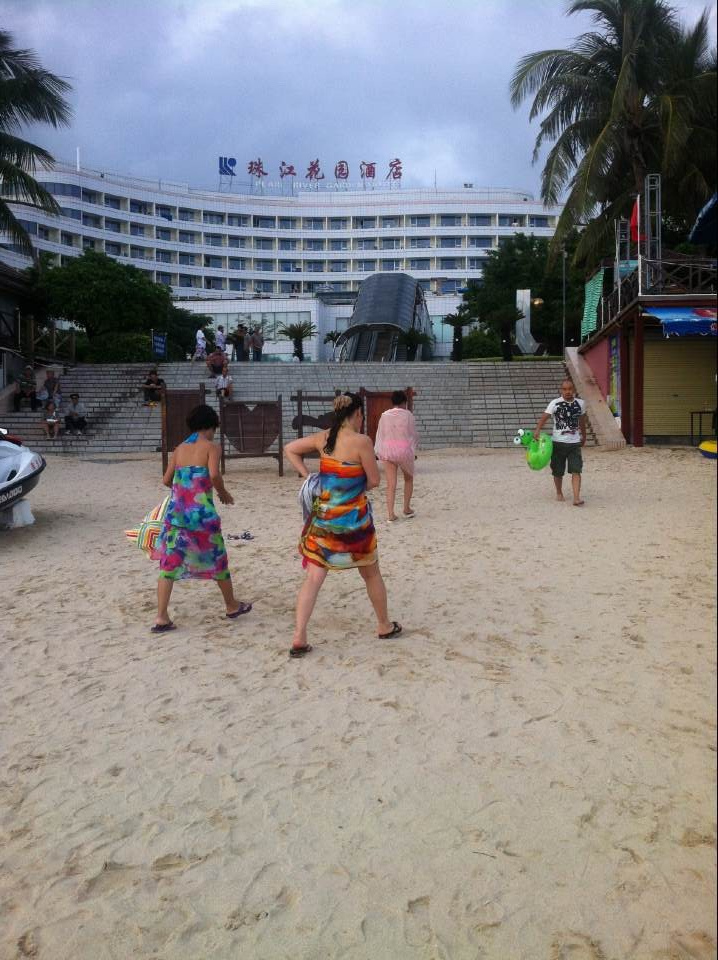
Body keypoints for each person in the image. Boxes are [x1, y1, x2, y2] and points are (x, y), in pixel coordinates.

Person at [283, 392, 402, 658]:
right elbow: (374, 480)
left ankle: (299, 635)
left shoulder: (323, 437)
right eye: (361, 417)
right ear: (357, 414)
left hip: (324, 521)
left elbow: (290, 449)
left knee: (313, 578)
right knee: (371, 574)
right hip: (355, 524)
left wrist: (308, 477)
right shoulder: (362, 441)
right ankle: (384, 625)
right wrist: (352, 484)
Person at [151, 404, 252, 632]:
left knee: (168, 566)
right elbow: (214, 474)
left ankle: (161, 617)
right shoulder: (212, 447)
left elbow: (166, 480)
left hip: (177, 515)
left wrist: (184, 487)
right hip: (202, 517)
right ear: (211, 426)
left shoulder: (179, 449)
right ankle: (231, 605)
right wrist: (223, 493)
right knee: (218, 559)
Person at [534, 378, 587, 506]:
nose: (567, 391)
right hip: (558, 442)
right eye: (564, 389)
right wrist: (537, 430)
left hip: (574, 443)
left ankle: (576, 498)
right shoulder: (555, 403)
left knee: (576, 470)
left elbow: (582, 421)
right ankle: (559, 492)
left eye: (570, 389)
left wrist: (584, 436)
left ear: (573, 390)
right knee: (558, 470)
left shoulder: (581, 403)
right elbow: (544, 417)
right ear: (561, 390)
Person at [375, 390, 419, 521]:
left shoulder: (384, 415)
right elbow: (413, 434)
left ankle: (391, 514)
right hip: (404, 450)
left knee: (391, 484)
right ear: (404, 402)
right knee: (408, 479)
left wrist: (380, 450)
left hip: (388, 450)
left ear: (392, 402)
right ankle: (406, 508)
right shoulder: (408, 415)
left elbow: (381, 434)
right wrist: (412, 448)